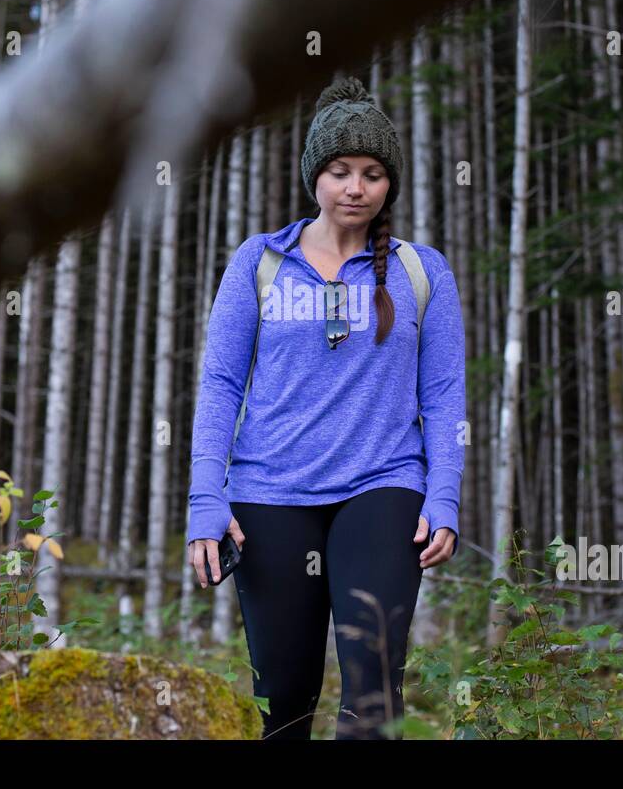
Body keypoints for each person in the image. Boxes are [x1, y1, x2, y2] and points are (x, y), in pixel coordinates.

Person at [186, 75, 466, 740]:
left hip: (384, 486)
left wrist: (444, 495)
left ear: (389, 183)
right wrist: (206, 498)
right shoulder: (260, 263)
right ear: (315, 176)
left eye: (372, 173)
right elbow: (221, 382)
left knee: (371, 695)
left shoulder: (420, 272)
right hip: (270, 493)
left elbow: (444, 394)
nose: (355, 187)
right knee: (283, 700)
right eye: (340, 170)